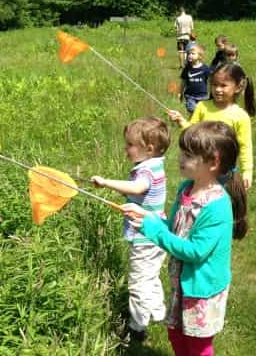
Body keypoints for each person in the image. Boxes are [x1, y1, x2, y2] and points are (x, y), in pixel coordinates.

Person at [122, 121, 248, 356]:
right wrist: (147, 217)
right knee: (176, 335)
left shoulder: (217, 206)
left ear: (213, 162)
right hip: (181, 284)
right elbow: (172, 229)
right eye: (182, 151)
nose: (180, 158)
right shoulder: (186, 189)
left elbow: (195, 251)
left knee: (198, 346)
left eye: (189, 155)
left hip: (202, 291)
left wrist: (155, 231)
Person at [91, 117, 170, 343]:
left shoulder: (145, 171)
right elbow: (139, 193)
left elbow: (138, 187)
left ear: (149, 148)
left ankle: (137, 328)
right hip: (157, 233)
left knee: (138, 283)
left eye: (130, 145)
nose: (126, 149)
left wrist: (106, 182)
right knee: (150, 275)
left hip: (145, 236)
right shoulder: (155, 164)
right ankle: (158, 313)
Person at [167, 62, 256, 190]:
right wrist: (181, 121)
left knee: (220, 203)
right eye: (214, 85)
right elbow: (193, 133)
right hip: (200, 168)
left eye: (223, 85)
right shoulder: (202, 107)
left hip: (225, 172)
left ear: (238, 87)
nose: (217, 89)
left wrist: (247, 171)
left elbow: (245, 146)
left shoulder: (241, 116)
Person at [179, 45, 211, 114]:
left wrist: (211, 93)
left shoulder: (205, 68)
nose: (190, 55)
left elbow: (210, 81)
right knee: (193, 111)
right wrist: (180, 92)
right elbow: (183, 81)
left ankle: (199, 124)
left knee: (203, 113)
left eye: (193, 54)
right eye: (189, 53)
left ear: (200, 56)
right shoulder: (187, 68)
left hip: (203, 96)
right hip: (190, 96)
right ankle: (194, 123)